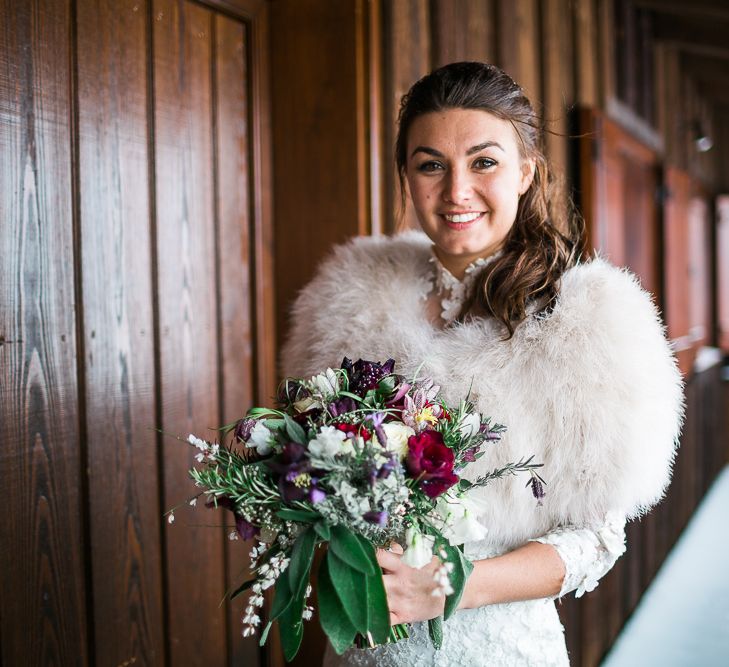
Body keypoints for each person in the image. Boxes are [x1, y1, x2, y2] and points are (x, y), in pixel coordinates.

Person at [281, 62, 683, 666]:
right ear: (406, 177)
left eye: (483, 162)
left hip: (495, 646)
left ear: (525, 172)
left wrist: (453, 587)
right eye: (430, 165)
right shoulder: (348, 302)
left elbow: (597, 538)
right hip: (365, 646)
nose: (456, 192)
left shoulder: (589, 322)